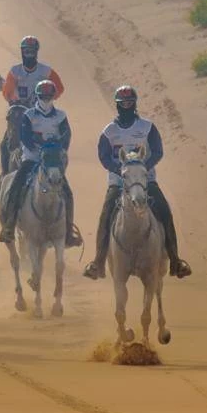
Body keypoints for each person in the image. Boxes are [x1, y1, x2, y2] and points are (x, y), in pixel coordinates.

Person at [84, 85, 192, 280]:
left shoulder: (147, 127)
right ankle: (98, 262)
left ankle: (175, 260)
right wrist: (121, 171)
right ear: (117, 105)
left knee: (165, 212)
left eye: (129, 103)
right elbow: (104, 156)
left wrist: (143, 168)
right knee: (106, 214)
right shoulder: (109, 132)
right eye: (123, 103)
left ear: (134, 104)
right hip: (118, 183)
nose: (126, 106)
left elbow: (158, 151)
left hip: (146, 181)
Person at [0, 80, 80, 247]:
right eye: (43, 95)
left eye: (49, 95)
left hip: (52, 162)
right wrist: (41, 145)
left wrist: (56, 148)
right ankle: (9, 226)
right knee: (15, 187)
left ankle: (68, 232)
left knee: (68, 193)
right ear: (37, 96)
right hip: (31, 159)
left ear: (53, 96)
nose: (46, 98)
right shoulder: (29, 115)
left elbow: (66, 137)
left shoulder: (61, 116)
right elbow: (25, 137)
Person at [0, 36, 65, 178]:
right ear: (22, 52)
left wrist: (47, 99)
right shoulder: (15, 71)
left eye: (31, 50)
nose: (29, 53)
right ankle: (4, 176)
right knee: (5, 144)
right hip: (20, 110)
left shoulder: (46, 71)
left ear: (36, 51)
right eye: (26, 50)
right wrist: (14, 100)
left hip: (40, 111)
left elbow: (59, 88)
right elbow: (6, 92)